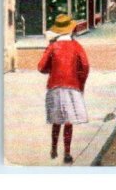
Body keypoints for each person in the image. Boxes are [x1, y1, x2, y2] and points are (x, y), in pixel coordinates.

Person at [37, 15, 89, 164]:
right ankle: (67, 152)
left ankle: (53, 148)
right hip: (72, 86)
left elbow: (41, 67)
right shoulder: (77, 46)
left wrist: (52, 69)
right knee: (68, 121)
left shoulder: (53, 46)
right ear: (71, 29)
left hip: (54, 86)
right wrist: (81, 84)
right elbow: (84, 66)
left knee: (56, 120)